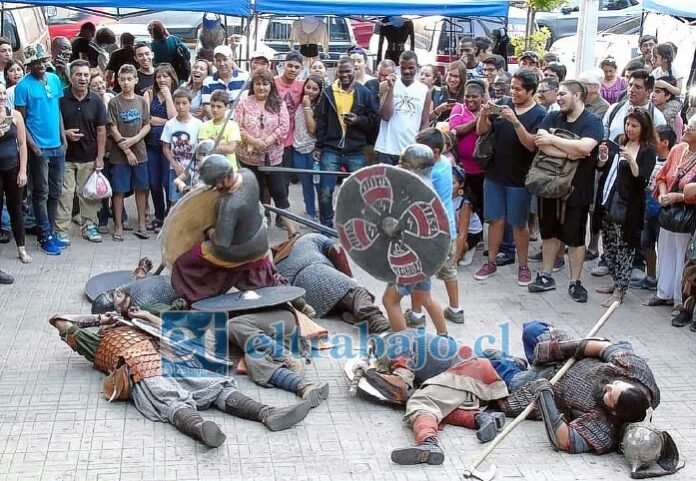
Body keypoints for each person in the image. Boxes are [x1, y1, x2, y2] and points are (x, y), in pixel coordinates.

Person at [49, 311, 313, 447]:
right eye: (112, 317)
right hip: (139, 370)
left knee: (214, 387)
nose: (116, 320)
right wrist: (98, 319)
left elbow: (172, 332)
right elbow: (59, 320)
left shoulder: (138, 327)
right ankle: (201, 431)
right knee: (171, 402)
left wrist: (144, 318)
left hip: (169, 361)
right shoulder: (95, 342)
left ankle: (267, 413)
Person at [492, 321, 659, 454]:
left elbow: (564, 440)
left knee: (498, 373)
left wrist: (544, 394)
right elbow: (604, 346)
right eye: (615, 384)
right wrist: (558, 350)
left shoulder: (606, 428)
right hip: (573, 358)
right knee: (532, 330)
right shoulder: (635, 371)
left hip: (551, 385)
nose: (608, 386)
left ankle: (513, 365)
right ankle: (530, 361)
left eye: (610, 395)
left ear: (614, 411)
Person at [359, 329, 508, 465]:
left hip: (464, 375)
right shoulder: (416, 337)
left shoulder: (397, 343)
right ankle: (483, 418)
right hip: (477, 380)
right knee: (436, 405)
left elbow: (400, 386)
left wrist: (368, 373)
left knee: (420, 403)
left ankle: (428, 442)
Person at [170, 154, 287, 303]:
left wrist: (209, 230)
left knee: (186, 261)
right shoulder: (248, 175)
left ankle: (195, 298)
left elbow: (221, 242)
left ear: (225, 178)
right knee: (250, 264)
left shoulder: (229, 204)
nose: (216, 188)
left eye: (217, 183)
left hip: (236, 251)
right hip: (261, 242)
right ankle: (273, 286)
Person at [528, 81, 604, 302]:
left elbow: (586, 148)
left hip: (577, 189)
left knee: (575, 237)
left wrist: (554, 140)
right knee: (549, 232)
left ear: (578, 95)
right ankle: (545, 276)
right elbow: (541, 143)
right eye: (558, 94)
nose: (558, 98)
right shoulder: (553, 117)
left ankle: (575, 282)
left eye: (563, 94)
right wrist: (570, 152)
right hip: (549, 184)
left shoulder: (592, 122)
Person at [474, 69, 546, 286]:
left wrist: (515, 122)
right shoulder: (503, 103)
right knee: (495, 221)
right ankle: (491, 261)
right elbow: (481, 131)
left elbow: (531, 144)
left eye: (518, 89)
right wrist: (484, 115)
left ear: (531, 91)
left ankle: (523, 266)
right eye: (512, 88)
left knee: (518, 224)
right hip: (494, 174)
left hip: (519, 179)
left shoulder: (540, 114)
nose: (513, 93)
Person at [381, 144, 448, 336]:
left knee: (390, 300)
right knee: (424, 297)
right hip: (426, 255)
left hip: (411, 256)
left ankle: (404, 345)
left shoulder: (415, 192)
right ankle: (445, 338)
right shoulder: (426, 186)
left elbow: (401, 226)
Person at [594, 108, 657, 306]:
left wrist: (631, 162)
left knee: (625, 248)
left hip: (628, 207)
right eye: (628, 124)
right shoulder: (621, 141)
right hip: (609, 200)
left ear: (644, 128)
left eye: (634, 126)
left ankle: (621, 288)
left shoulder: (647, 150)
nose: (630, 129)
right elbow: (605, 169)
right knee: (610, 244)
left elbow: (642, 179)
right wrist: (604, 157)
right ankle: (615, 281)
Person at [272, 233, 390, 333]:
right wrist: (351, 279)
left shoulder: (276, 262)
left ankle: (350, 312)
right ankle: (376, 321)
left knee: (340, 296)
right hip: (316, 270)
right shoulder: (310, 237)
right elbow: (337, 250)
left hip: (305, 296)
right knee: (356, 293)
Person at [405, 129, 464, 326]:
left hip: (429, 231)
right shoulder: (446, 163)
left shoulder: (430, 171)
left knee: (418, 273)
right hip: (447, 229)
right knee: (449, 271)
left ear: (436, 151)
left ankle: (416, 314)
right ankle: (455, 310)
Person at [14, 43, 67, 256]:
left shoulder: (54, 80)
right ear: (28, 65)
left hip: (57, 145)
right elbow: (20, 120)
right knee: (41, 192)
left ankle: (51, 231)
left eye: (43, 61)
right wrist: (33, 146)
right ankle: (44, 234)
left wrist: (63, 138)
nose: (41, 65)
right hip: (39, 147)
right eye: (36, 63)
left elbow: (58, 111)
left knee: (56, 191)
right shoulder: (23, 86)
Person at [314, 57, 376, 228]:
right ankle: (325, 227)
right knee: (325, 191)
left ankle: (354, 227)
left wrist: (358, 121)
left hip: (356, 150)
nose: (344, 75)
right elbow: (322, 121)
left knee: (359, 192)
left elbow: (373, 121)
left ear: (355, 71)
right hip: (331, 148)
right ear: (336, 72)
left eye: (348, 71)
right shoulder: (328, 92)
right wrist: (318, 146)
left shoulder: (364, 93)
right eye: (341, 71)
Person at [233, 68, 296, 236]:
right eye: (258, 84)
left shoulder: (278, 103)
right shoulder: (243, 103)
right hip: (248, 158)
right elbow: (237, 126)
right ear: (252, 85)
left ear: (271, 85)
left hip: (272, 157)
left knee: (279, 192)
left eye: (265, 84)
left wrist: (267, 141)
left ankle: (292, 231)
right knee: (252, 194)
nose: (261, 87)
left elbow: (284, 126)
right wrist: (253, 141)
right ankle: (254, 233)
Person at [645, 116, 696, 309]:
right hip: (669, 210)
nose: (685, 130)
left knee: (682, 254)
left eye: (691, 128)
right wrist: (664, 194)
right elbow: (662, 175)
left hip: (688, 213)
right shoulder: (677, 150)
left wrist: (679, 197)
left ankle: (679, 298)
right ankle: (663, 292)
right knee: (666, 250)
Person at [56, 60, 107, 245]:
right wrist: (65, 134)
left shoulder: (96, 100)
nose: (83, 78)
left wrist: (100, 157)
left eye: (86, 75)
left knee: (88, 194)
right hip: (66, 157)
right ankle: (62, 229)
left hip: (89, 156)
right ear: (71, 77)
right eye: (79, 74)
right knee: (65, 194)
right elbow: (55, 124)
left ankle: (89, 226)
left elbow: (102, 130)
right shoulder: (60, 98)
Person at [107, 63, 151, 242]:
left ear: (136, 80)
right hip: (119, 155)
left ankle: (142, 223)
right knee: (119, 191)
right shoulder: (114, 102)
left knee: (141, 188)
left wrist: (134, 140)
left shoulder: (141, 101)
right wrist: (127, 151)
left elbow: (147, 124)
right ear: (118, 80)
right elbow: (112, 128)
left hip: (140, 152)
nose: (126, 82)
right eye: (122, 79)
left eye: (129, 79)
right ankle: (118, 224)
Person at [635, 125, 676, 291]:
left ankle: (665, 282)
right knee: (646, 242)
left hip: (663, 211)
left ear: (665, 142)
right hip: (648, 208)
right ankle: (651, 277)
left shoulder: (671, 163)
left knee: (663, 247)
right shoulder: (651, 159)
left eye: (655, 139)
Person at [374, 51, 431, 165]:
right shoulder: (386, 85)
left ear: (417, 67)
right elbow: (385, 115)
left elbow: (424, 121)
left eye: (411, 68)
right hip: (386, 148)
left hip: (410, 149)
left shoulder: (424, 90)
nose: (406, 71)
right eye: (403, 68)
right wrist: (391, 88)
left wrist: (421, 146)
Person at [144, 64, 177, 232]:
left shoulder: (177, 94)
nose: (162, 80)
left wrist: (169, 97)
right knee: (153, 182)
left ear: (172, 78)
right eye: (158, 76)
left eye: (165, 76)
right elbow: (146, 118)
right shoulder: (149, 94)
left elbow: (174, 118)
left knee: (167, 182)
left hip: (170, 147)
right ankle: (159, 215)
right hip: (151, 145)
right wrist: (166, 122)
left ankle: (170, 215)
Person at [0, 81, 30, 270]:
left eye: (3, 94)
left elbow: (22, 144)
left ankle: (21, 248)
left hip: (12, 168)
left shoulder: (15, 115)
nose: (1, 97)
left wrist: (23, 170)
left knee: (16, 209)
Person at [448, 80, 485, 220]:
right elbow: (455, 130)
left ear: (482, 97)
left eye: (474, 97)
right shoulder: (459, 109)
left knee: (482, 203)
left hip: (483, 168)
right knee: (466, 203)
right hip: (463, 168)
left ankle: (479, 235)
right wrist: (477, 120)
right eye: (467, 96)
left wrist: (483, 116)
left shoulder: (487, 111)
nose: (470, 99)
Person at [161, 87, 202, 206]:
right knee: (175, 201)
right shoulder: (170, 124)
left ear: (190, 103)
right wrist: (175, 165)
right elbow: (165, 147)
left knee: (193, 201)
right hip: (175, 169)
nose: (181, 106)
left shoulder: (198, 124)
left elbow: (201, 148)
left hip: (194, 170)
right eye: (177, 103)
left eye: (184, 103)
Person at [603, 69, 666, 142]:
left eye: (638, 87)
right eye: (630, 85)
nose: (631, 90)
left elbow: (659, 145)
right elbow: (604, 136)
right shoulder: (614, 109)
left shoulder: (657, 117)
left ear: (649, 91)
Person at [292, 75, 323, 221]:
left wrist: (306, 107)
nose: (310, 91)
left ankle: (324, 212)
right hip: (297, 148)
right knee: (306, 184)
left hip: (313, 150)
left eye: (314, 89)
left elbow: (312, 129)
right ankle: (310, 212)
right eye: (308, 87)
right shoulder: (299, 102)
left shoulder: (319, 107)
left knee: (318, 183)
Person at [275, 50, 305, 192]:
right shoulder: (273, 82)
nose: (293, 69)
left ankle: (282, 212)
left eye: (296, 67)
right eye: (290, 66)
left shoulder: (302, 86)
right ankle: (267, 211)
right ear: (284, 65)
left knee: (285, 179)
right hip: (273, 138)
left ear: (301, 69)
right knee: (269, 179)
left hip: (290, 140)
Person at [197, 89, 240, 172]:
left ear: (227, 107)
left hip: (229, 170)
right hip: (211, 170)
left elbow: (231, 148)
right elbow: (203, 149)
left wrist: (212, 146)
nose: (215, 110)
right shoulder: (204, 126)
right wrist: (222, 145)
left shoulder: (232, 125)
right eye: (212, 106)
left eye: (219, 106)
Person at [201, 45, 249, 120]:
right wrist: (220, 125)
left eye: (225, 59)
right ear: (215, 62)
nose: (222, 63)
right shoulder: (208, 81)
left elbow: (247, 104)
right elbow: (207, 108)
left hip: (238, 123)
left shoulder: (244, 77)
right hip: (216, 124)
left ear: (232, 59)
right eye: (219, 60)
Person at [452, 165, 483, 266]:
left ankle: (468, 248)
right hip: (455, 230)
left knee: (450, 242)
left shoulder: (465, 203)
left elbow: (463, 233)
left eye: (453, 183)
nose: (449, 186)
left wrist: (454, 261)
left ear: (461, 184)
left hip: (469, 233)